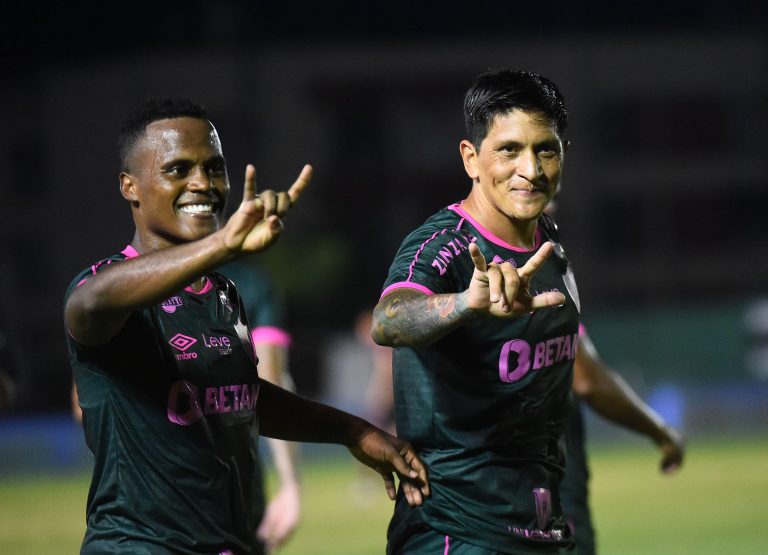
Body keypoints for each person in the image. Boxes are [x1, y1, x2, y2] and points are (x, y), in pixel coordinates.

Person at [63, 97, 429, 555]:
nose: (203, 183)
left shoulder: (221, 293)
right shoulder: (104, 287)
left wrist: (355, 432)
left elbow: (244, 398)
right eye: (178, 170)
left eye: (214, 168)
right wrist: (220, 244)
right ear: (129, 186)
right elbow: (88, 304)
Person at [372, 69, 577, 553]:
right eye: (509, 150)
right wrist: (466, 303)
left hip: (540, 529)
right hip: (457, 531)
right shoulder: (443, 245)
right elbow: (390, 317)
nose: (531, 168)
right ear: (471, 158)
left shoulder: (548, 242)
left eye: (546, 149)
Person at [71, 258, 304, 555]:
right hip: (210, 508)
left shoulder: (238, 286)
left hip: (190, 510)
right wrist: (290, 484)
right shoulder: (109, 286)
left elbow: (82, 405)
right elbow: (270, 376)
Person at [219, 259, 301, 554]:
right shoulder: (251, 284)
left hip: (150, 506)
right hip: (237, 491)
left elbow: (83, 403)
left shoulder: (123, 281)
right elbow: (272, 382)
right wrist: (290, 485)